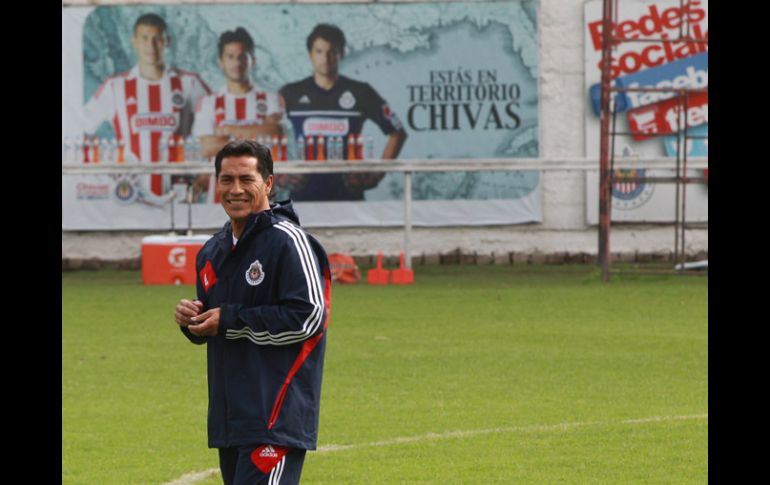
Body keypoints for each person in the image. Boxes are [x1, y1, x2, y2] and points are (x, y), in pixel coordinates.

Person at [174, 140, 331, 485]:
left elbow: (309, 317)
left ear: (269, 184)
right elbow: (221, 322)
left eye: (247, 179)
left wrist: (229, 320)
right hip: (231, 418)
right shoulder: (212, 252)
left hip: (274, 415)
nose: (236, 190)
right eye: (227, 180)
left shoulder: (288, 240)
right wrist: (194, 321)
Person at [83, 13, 211, 196]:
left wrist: (206, 174)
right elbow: (81, 129)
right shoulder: (115, 86)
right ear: (134, 41)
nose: (150, 45)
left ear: (167, 41)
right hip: (130, 194)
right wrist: (101, 178)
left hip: (179, 193)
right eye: (144, 38)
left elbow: (217, 128)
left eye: (157, 39)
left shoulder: (188, 83)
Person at [279, 23, 407, 201]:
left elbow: (397, 132)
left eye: (332, 51)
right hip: (303, 194)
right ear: (310, 55)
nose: (325, 58)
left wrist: (378, 173)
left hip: (348, 193)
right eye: (319, 51)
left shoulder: (361, 92)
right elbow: (264, 130)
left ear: (342, 54)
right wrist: (276, 173)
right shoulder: (291, 92)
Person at [191, 27, 284, 203]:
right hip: (217, 201)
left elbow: (275, 133)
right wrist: (255, 133)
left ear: (253, 60)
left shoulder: (271, 99)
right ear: (221, 61)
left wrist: (226, 131)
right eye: (230, 57)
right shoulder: (209, 103)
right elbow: (205, 147)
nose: (237, 62)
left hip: (259, 201)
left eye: (243, 56)